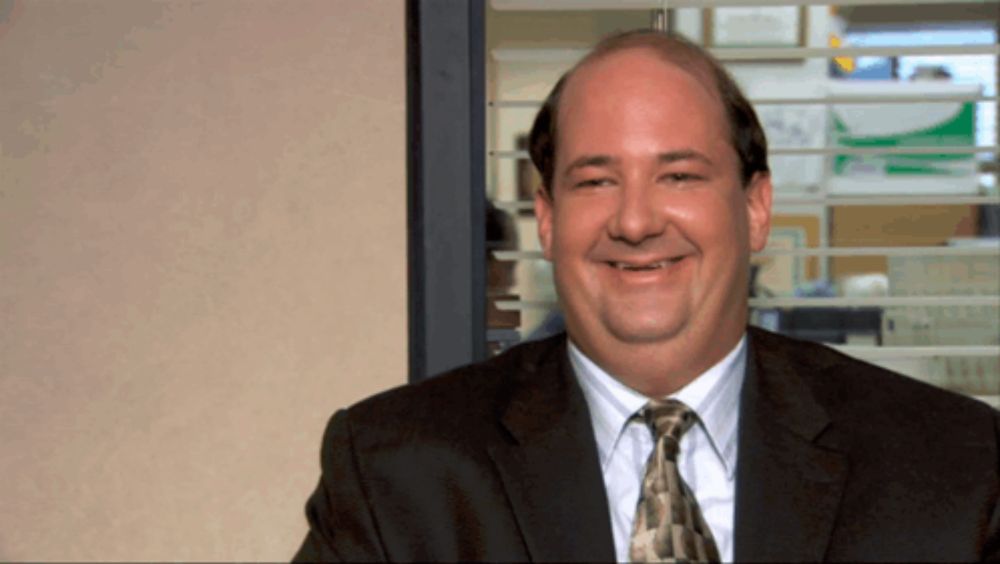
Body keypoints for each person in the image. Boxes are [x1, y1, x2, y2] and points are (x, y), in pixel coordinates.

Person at [293, 30, 999, 562]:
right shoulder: (395, 475)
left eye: (680, 176)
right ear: (546, 218)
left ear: (755, 208)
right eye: (596, 180)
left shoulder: (952, 465)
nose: (634, 222)